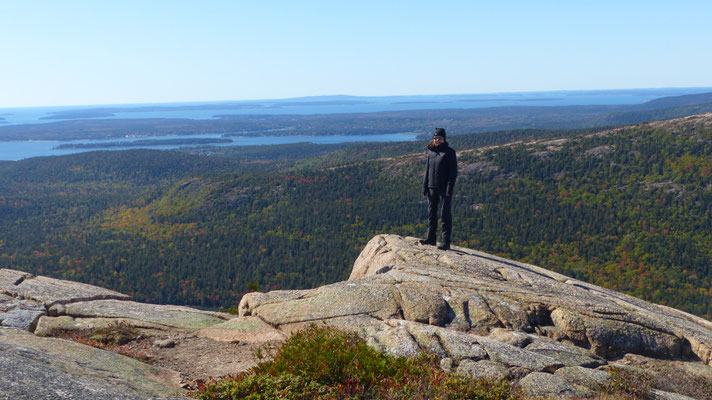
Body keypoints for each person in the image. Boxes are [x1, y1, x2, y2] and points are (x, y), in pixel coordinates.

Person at [420, 128, 457, 250]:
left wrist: (449, 189)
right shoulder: (430, 152)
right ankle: (431, 239)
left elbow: (453, 173)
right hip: (431, 187)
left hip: (443, 189)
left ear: (444, 139)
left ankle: (446, 242)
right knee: (431, 214)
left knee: (445, 215)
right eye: (435, 138)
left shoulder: (449, 152)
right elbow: (427, 170)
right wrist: (425, 187)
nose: (437, 140)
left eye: (439, 138)